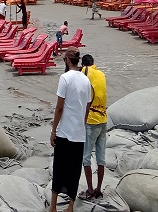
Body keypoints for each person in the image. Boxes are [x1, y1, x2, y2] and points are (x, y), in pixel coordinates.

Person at [49, 48, 92, 212]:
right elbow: (87, 108)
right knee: (74, 170)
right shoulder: (86, 81)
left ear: (67, 60)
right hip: (79, 134)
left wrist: (53, 131)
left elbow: (59, 108)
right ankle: (70, 206)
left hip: (64, 133)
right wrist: (82, 124)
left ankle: (53, 206)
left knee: (59, 168)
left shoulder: (64, 78)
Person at [79, 54, 108, 201]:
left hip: (92, 121)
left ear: (84, 64)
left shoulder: (85, 71)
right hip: (103, 119)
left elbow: (85, 98)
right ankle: (99, 189)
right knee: (101, 158)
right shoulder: (101, 73)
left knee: (86, 158)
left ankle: (90, 190)